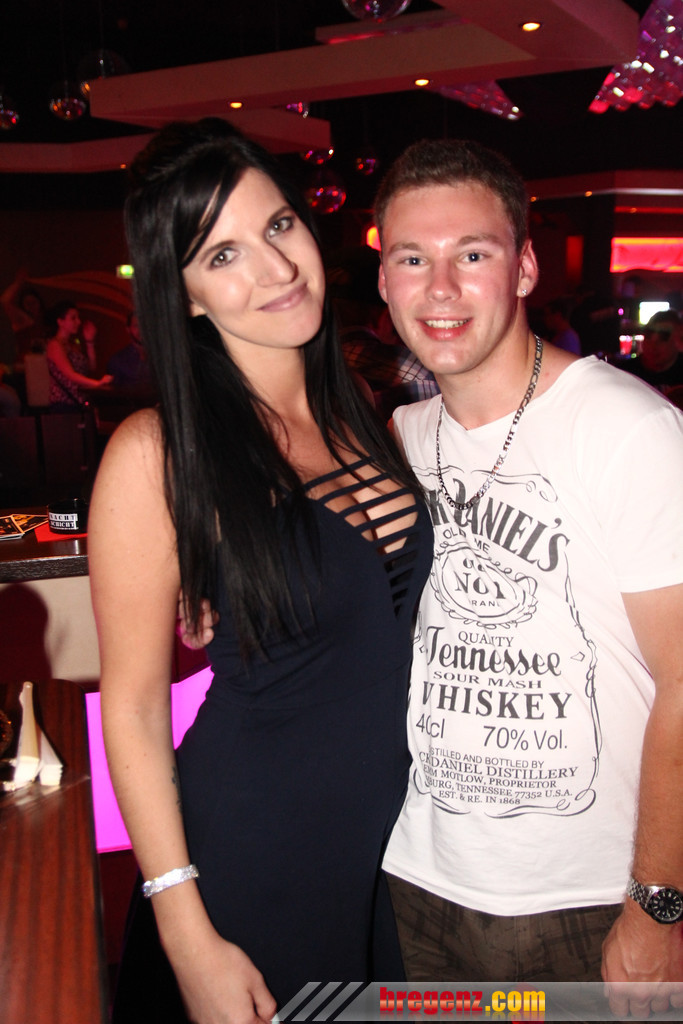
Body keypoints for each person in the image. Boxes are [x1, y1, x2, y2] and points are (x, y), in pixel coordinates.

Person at [87, 118, 433, 1024]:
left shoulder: (358, 409)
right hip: (258, 855)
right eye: (223, 255)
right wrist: (184, 929)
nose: (276, 269)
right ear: (185, 296)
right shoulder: (157, 453)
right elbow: (132, 707)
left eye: (278, 225)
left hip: (391, 848)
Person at [369, 138, 683, 1018]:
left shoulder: (625, 429)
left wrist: (657, 904)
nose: (440, 288)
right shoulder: (399, 438)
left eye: (471, 255)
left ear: (524, 268)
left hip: (584, 899)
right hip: (415, 880)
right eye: (412, 259)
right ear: (385, 280)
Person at [45, 301, 112, 409]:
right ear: (60, 322)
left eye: (78, 318)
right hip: (64, 403)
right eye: (73, 318)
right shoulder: (55, 345)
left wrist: (89, 342)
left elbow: (91, 367)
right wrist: (97, 383)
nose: (78, 322)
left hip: (79, 401)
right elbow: (70, 374)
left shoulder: (73, 344)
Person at [618, 308, 683, 395]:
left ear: (678, 340)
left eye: (663, 337)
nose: (653, 345)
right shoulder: (625, 373)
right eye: (648, 335)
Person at [106, 311, 154, 393]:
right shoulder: (118, 360)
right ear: (128, 329)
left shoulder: (162, 358)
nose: (141, 330)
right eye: (136, 326)